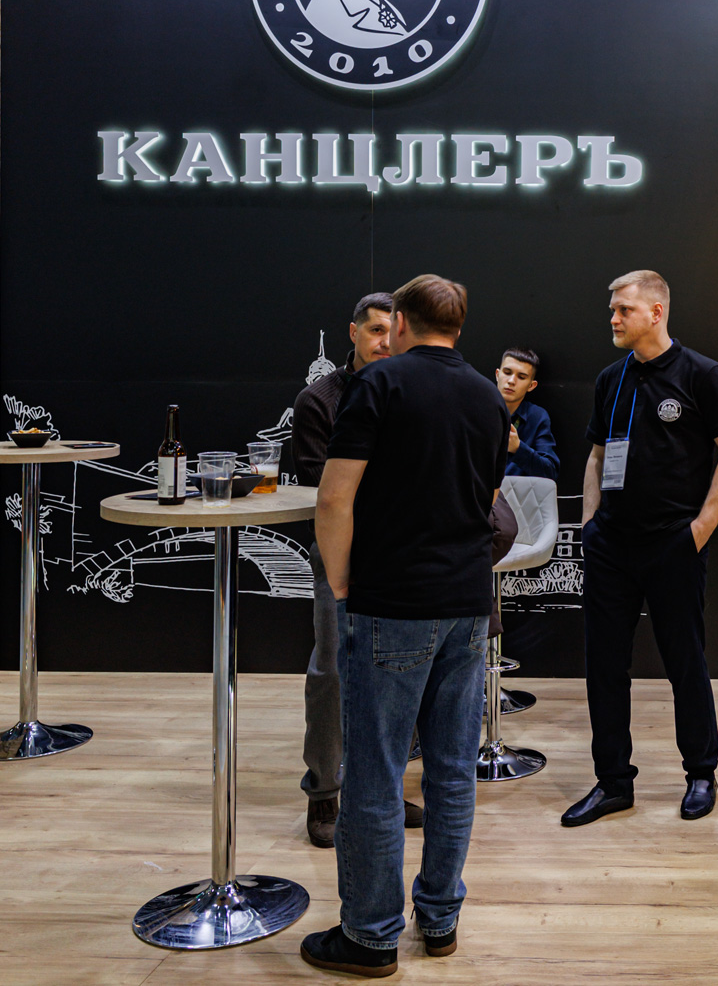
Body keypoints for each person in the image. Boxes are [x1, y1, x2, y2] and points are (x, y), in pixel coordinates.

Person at [300, 275, 510, 978]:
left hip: (392, 601)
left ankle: (369, 936)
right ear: (458, 325)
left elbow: (334, 498)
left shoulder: (379, 384)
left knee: (376, 772)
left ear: (401, 323)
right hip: (467, 602)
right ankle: (441, 920)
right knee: (451, 770)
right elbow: (488, 497)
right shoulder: (487, 394)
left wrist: (338, 581)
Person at [561, 269, 718, 830]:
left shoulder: (702, 374)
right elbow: (598, 456)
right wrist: (589, 525)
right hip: (611, 546)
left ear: (656, 312)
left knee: (685, 662)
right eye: (612, 309)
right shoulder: (611, 379)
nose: (613, 318)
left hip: (672, 546)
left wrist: (699, 531)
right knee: (604, 667)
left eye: (623, 309)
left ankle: (701, 773)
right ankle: (613, 782)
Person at [292, 292, 423, 848]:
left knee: (396, 672)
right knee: (332, 670)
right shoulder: (319, 399)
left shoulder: (411, 388)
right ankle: (325, 790)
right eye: (374, 331)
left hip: (401, 547)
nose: (384, 342)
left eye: (392, 331)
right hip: (341, 548)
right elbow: (319, 484)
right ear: (353, 332)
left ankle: (382, 788)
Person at [496, 346, 560, 480]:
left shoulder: (537, 417)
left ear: (531, 385)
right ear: (497, 374)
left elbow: (550, 472)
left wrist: (518, 448)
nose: (511, 381)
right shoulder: (477, 410)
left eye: (521, 377)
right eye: (507, 372)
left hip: (516, 492)